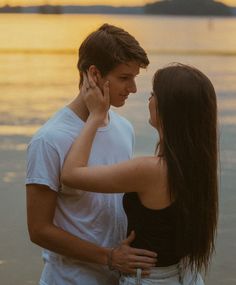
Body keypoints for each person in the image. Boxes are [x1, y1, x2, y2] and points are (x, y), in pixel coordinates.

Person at [61, 63, 219, 285]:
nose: (148, 99)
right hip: (186, 276)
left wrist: (96, 116)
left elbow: (71, 174)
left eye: (154, 94)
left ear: (169, 108)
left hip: (152, 279)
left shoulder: (151, 170)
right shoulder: (198, 165)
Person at [26, 23, 158, 285]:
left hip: (118, 279)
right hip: (69, 279)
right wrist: (109, 257)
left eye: (135, 78)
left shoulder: (124, 128)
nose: (132, 88)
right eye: (124, 78)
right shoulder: (49, 139)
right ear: (94, 74)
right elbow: (39, 230)